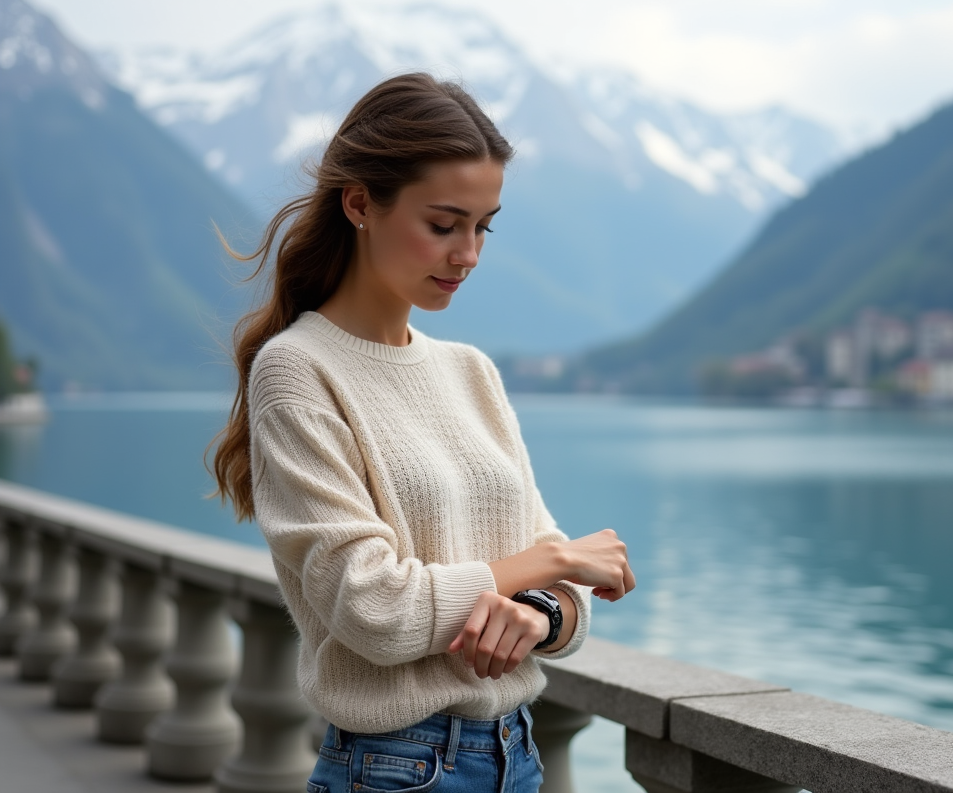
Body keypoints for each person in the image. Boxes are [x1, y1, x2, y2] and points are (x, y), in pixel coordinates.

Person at [209, 73, 635, 793]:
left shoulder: (471, 372)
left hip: (518, 757)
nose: (468, 254)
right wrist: (548, 563)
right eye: (443, 225)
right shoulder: (297, 369)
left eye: (484, 226)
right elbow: (374, 609)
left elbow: (566, 593)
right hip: (394, 769)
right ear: (359, 205)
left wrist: (539, 613)